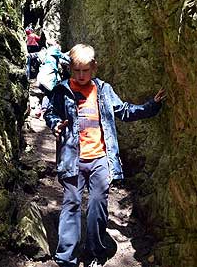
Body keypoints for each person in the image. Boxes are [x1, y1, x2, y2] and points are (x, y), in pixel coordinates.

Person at [44, 44, 166, 267]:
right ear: (70, 68)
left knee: (98, 204)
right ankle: (66, 258)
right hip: (73, 159)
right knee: (71, 203)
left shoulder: (104, 90)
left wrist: (152, 106)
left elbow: (124, 111)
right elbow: (50, 113)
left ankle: (95, 251)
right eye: (77, 71)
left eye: (86, 71)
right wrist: (55, 125)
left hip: (101, 158)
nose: (81, 76)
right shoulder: (61, 90)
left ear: (94, 68)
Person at [36, 42, 70, 117]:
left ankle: (41, 109)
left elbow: (61, 60)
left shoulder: (48, 52)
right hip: (49, 76)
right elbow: (64, 57)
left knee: (46, 93)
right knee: (51, 93)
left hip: (43, 75)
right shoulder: (54, 49)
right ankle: (46, 111)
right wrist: (74, 60)